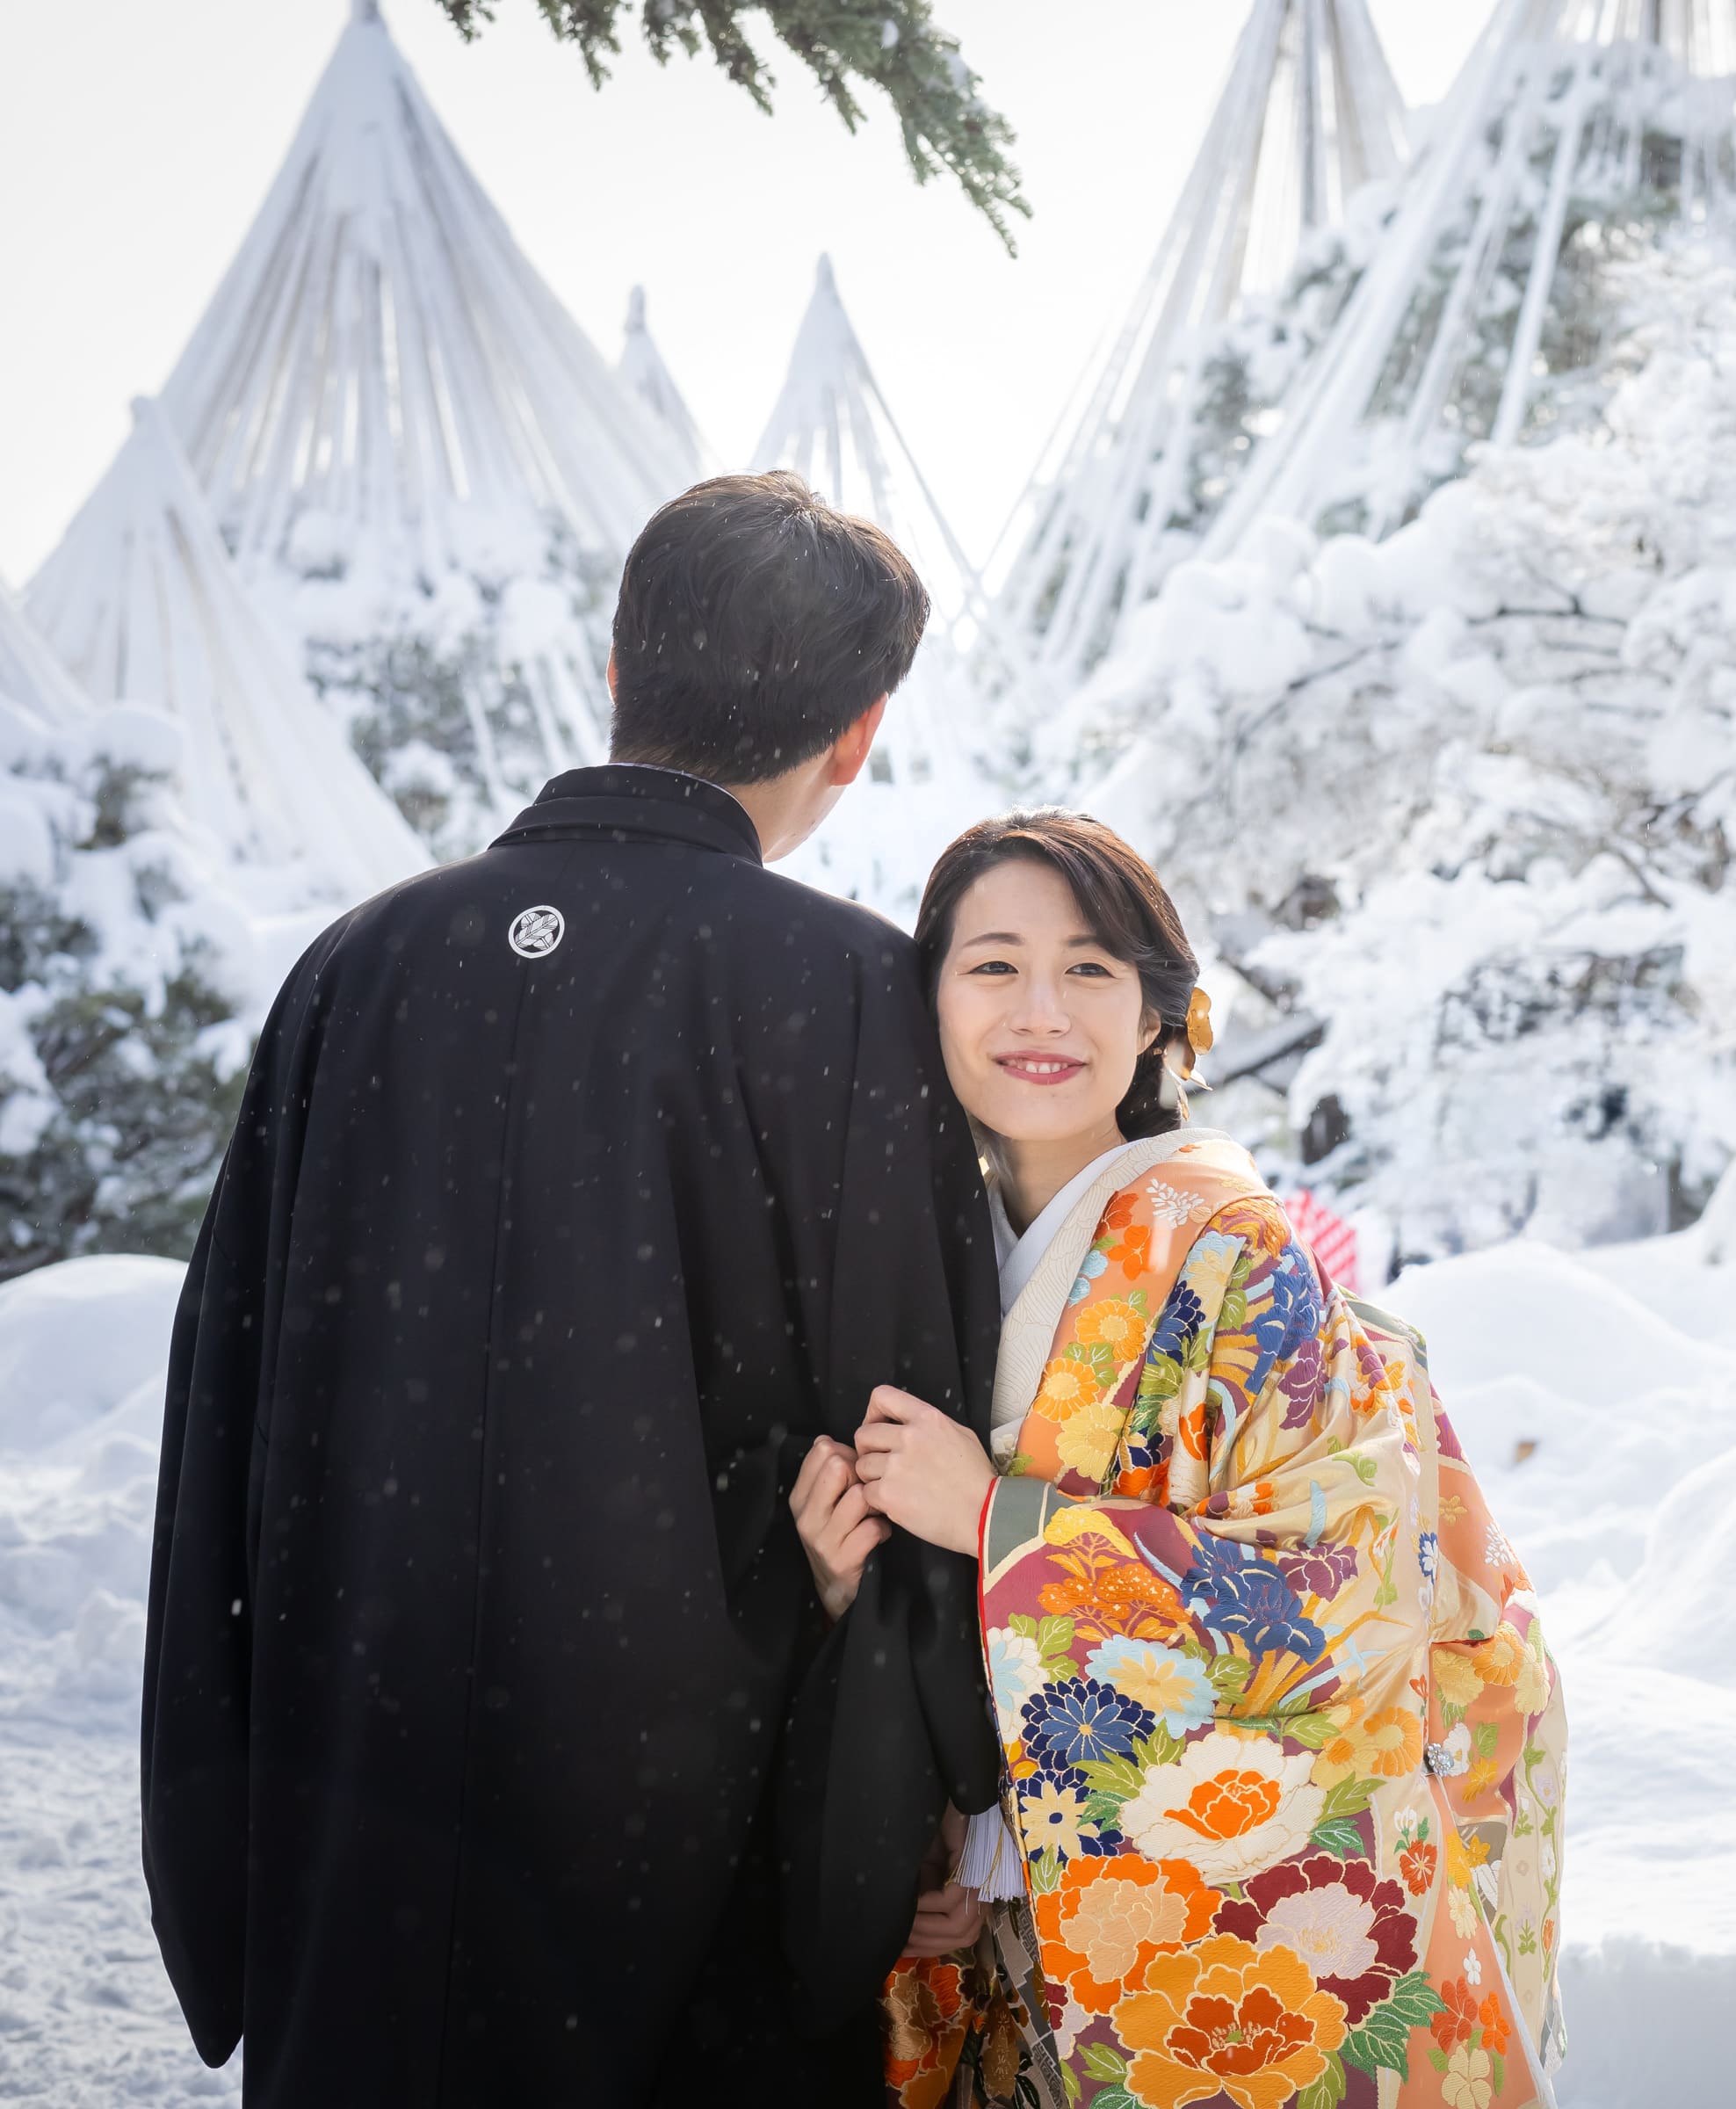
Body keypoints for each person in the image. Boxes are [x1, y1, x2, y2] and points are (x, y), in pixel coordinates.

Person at [142, 472, 1001, 2105]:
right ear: (857, 734)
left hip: (358, 1796)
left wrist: (225, 1811)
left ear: (616, 674)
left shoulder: (359, 963)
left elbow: (227, 1403)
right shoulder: (850, 995)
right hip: (695, 1828)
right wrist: (908, 1804)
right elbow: (912, 1424)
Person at [790, 811, 1567, 2108]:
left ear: (1160, 1016)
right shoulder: (916, 1247)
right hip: (1000, 1923)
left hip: (1157, 1917)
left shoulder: (1233, 1253)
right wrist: (843, 1593)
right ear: (926, 1000)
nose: (1041, 1009)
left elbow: (1331, 1597)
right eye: (992, 965)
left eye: (1091, 968)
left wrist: (999, 1521)